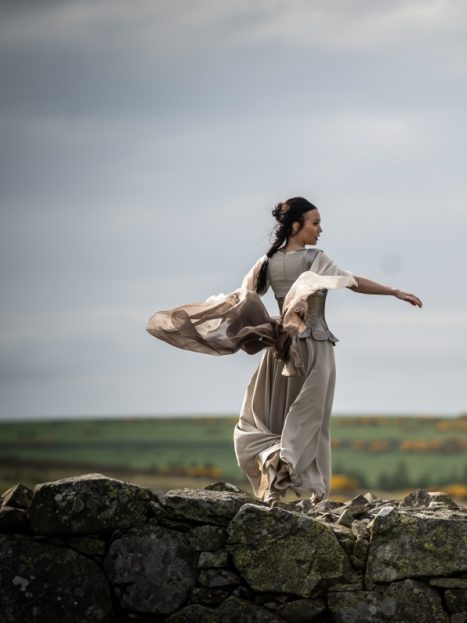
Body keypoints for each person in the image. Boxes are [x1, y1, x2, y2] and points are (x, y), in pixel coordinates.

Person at [147, 197, 422, 505]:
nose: (320, 229)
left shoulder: (266, 263)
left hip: (280, 351)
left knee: (275, 417)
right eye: (315, 223)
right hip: (315, 347)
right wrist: (394, 291)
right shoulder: (314, 259)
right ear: (296, 226)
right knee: (312, 418)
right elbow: (353, 282)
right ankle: (310, 485)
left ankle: (276, 486)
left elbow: (243, 300)